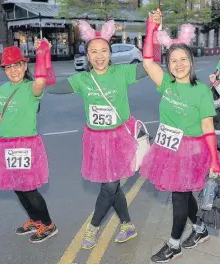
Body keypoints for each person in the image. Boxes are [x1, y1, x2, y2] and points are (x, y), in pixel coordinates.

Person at [44, 20, 148, 249]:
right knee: (112, 186)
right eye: (94, 52)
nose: (99, 56)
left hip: (120, 138)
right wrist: (43, 59)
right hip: (96, 141)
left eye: (104, 51)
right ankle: (128, 224)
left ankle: (93, 227)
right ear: (87, 55)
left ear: (110, 52)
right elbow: (49, 86)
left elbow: (150, 65)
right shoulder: (83, 79)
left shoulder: (123, 72)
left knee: (110, 187)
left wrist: (151, 33)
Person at [139, 9, 220, 263]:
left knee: (178, 198)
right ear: (168, 65)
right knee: (184, 193)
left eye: (183, 59)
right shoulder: (166, 84)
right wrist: (151, 28)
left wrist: (213, 160)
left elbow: (208, 128)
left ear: (191, 61)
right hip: (167, 148)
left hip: (190, 151)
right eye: (173, 60)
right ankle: (200, 230)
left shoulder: (200, 91)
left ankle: (174, 244)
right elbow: (147, 61)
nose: (178, 64)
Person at [0, 41, 58, 243]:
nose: (13, 70)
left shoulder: (31, 88)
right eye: (8, 67)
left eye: (16, 65)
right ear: (4, 70)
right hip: (7, 145)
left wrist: (42, 53)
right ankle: (35, 220)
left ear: (24, 66)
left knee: (29, 188)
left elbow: (39, 81)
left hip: (27, 145)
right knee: (17, 186)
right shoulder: (3, 89)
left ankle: (48, 224)